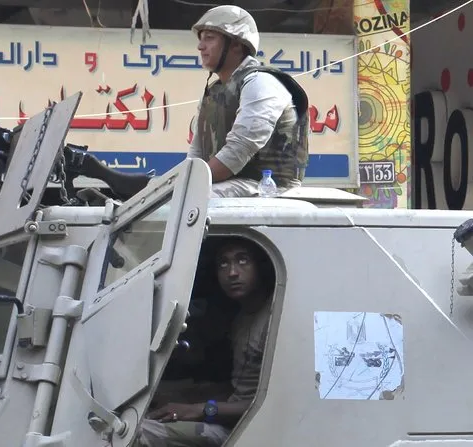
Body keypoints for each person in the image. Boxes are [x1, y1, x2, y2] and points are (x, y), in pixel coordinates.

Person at [132, 237, 274, 446]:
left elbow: (271, 403)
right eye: (223, 264)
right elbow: (239, 388)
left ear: (260, 266)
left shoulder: (273, 318)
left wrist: (201, 409)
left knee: (137, 432)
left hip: (247, 429)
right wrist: (180, 396)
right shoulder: (243, 318)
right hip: (229, 419)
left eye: (242, 261)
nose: (232, 272)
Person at [187, 5, 310, 198]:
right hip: (231, 183)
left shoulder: (260, 82)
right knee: (174, 198)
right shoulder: (214, 91)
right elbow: (196, 154)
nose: (200, 47)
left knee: (194, 198)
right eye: (201, 39)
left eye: (209, 38)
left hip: (269, 188)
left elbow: (238, 151)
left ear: (236, 44)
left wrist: (187, 183)